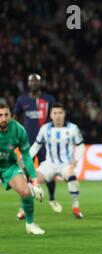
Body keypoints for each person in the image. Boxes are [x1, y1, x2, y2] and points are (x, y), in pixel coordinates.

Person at [28, 103, 85, 219]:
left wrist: (76, 160)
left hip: (66, 165)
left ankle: (76, 207)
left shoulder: (73, 128)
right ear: (51, 115)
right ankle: (26, 209)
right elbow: (36, 146)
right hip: (49, 164)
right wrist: (26, 159)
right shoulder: (45, 129)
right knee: (31, 180)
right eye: (55, 113)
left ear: (64, 114)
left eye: (60, 113)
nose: (57, 116)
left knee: (72, 179)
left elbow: (81, 146)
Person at [14, 74, 59, 214]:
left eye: (36, 81)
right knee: (26, 172)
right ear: (28, 84)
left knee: (50, 172)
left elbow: (56, 117)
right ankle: (24, 204)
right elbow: (15, 118)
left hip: (46, 143)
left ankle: (52, 198)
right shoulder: (22, 99)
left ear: (40, 83)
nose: (33, 83)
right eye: (31, 81)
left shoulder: (49, 99)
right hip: (27, 144)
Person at [0, 103, 45, 234]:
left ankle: (30, 224)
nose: (3, 118)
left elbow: (26, 156)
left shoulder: (18, 130)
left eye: (6, 115)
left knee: (26, 192)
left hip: (9, 165)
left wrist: (35, 181)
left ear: (10, 115)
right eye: (0, 115)